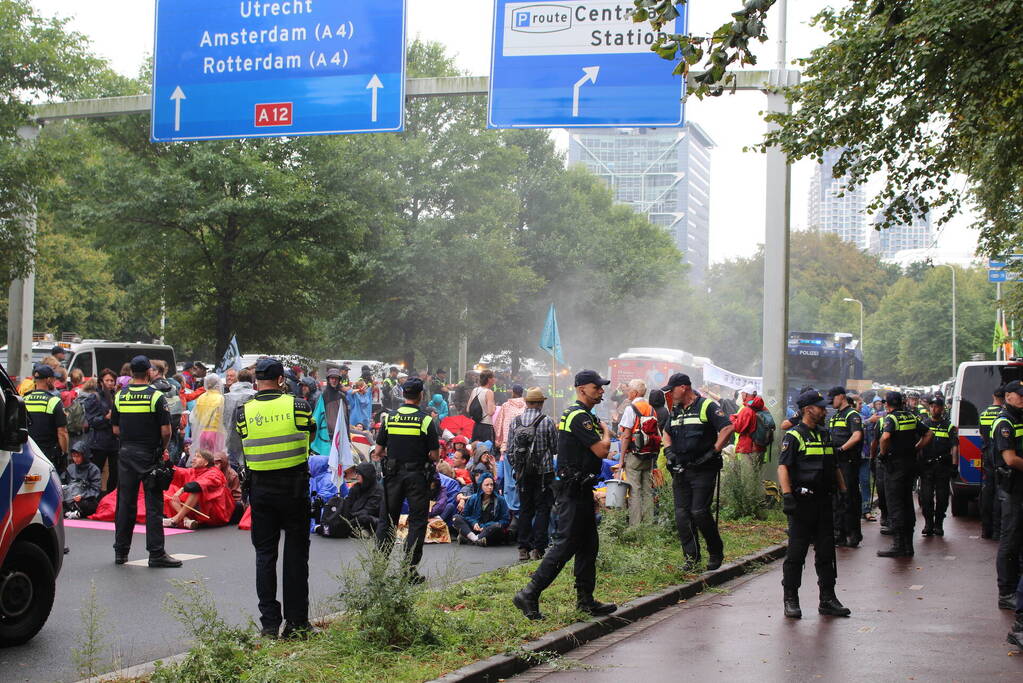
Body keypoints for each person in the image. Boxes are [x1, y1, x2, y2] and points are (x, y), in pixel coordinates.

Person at [513, 370, 617, 621]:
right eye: (597, 387)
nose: (601, 391)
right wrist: (606, 432)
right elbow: (603, 451)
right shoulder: (577, 416)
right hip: (572, 490)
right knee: (564, 545)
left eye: (602, 387)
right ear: (582, 389)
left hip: (582, 488)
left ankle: (585, 600)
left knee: (589, 546)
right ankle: (529, 592)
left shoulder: (585, 416)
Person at [235, 357, 316, 639]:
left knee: (265, 557)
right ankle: (296, 624)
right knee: (295, 557)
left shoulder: (243, 411)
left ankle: (269, 624)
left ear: (257, 379)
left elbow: (244, 440)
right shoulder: (298, 405)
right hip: (293, 489)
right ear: (281, 379)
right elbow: (310, 433)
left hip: (261, 491)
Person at [778, 390, 852, 619]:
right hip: (802, 503)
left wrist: (843, 491)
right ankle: (791, 599)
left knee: (826, 552)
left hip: (824, 501)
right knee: (796, 553)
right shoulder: (794, 436)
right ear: (808, 409)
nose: (825, 410)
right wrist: (787, 495)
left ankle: (828, 599)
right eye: (820, 407)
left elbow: (835, 466)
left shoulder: (824, 434)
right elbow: (783, 467)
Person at [111, 356, 182, 568]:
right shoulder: (156, 397)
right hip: (149, 454)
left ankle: (121, 551)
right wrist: (162, 448)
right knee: (153, 505)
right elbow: (166, 430)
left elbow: (115, 429)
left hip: (126, 454)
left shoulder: (120, 396)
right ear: (149, 372)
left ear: (131, 372)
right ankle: (156, 553)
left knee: (125, 503)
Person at [662, 373, 734, 571]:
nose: (670, 393)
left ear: (684, 387)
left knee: (699, 512)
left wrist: (714, 451)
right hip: (681, 470)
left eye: (672, 389)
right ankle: (691, 559)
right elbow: (666, 431)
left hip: (704, 468)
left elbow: (727, 427)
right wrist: (668, 451)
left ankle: (715, 551)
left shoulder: (707, 406)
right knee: (682, 515)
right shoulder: (676, 410)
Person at [373, 377, 440, 584]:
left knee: (387, 522)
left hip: (393, 476)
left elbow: (378, 451)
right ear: (421, 395)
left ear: (403, 394)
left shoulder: (389, 418)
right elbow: (435, 456)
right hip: (417, 477)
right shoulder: (426, 420)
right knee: (417, 522)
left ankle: (378, 572)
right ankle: (408, 571)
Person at [876, 391, 932, 558]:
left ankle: (899, 545)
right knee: (907, 503)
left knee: (895, 505)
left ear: (887, 404)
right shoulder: (911, 417)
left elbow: (885, 437)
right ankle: (908, 545)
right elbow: (929, 433)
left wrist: (883, 454)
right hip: (910, 464)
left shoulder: (891, 418)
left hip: (895, 466)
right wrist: (916, 448)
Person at [508, 387, 557, 561]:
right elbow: (555, 447)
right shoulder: (547, 421)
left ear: (527, 402)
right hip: (543, 473)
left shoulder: (515, 421)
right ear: (540, 403)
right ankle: (539, 548)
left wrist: (518, 467)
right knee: (543, 509)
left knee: (525, 509)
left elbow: (510, 450)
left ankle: (523, 548)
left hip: (522, 474)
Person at [994, 380, 1023, 611]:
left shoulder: (1018, 418)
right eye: (1019, 394)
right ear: (1008, 396)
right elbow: (1010, 459)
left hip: (1020, 486)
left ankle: (1016, 589)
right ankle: (1006, 593)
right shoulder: (1004, 421)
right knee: (1010, 540)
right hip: (1011, 488)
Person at [827, 387, 864, 548]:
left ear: (841, 397)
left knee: (849, 498)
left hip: (847, 461)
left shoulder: (852, 415)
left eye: (833, 398)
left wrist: (841, 449)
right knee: (837, 499)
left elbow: (857, 436)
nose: (831, 402)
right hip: (836, 462)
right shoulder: (835, 417)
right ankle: (839, 533)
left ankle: (853, 534)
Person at [617, 379, 657, 527]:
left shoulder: (631, 408)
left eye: (628, 390)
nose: (627, 392)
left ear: (634, 393)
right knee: (647, 491)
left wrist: (621, 459)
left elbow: (626, 435)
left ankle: (635, 526)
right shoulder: (651, 409)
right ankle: (648, 524)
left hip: (634, 455)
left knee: (635, 491)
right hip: (649, 454)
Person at [164, 450, 236, 529]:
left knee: (196, 490)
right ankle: (185, 519)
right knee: (170, 488)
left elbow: (197, 486)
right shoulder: (194, 471)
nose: (194, 459)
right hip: (199, 508)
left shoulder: (215, 473)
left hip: (214, 512)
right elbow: (177, 472)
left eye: (198, 457)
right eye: (194, 456)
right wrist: (167, 460)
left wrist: (181, 490)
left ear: (206, 462)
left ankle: (176, 519)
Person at [918, 395, 958, 537]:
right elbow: (918, 445)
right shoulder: (923, 424)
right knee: (926, 497)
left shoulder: (949, 426)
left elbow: (954, 447)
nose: (933, 408)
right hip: (927, 467)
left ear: (941, 408)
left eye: (936, 406)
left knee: (942, 497)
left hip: (943, 467)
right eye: (931, 406)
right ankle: (928, 523)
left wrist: (954, 465)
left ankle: (938, 523)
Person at [318, 462, 382, 538]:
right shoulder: (357, 488)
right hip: (355, 517)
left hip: (371, 519)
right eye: (356, 473)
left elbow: (368, 511)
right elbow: (348, 504)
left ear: (366, 475)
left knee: (364, 518)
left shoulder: (378, 491)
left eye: (359, 474)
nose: (356, 476)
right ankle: (351, 530)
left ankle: (355, 530)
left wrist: (347, 520)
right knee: (338, 515)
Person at [24, 364, 69, 474]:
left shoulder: (24, 399)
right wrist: (64, 453)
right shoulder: (53, 401)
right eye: (53, 378)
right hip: (47, 454)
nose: (54, 381)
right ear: (48, 380)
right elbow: (62, 432)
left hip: (27, 453)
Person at [85, 370, 120, 494]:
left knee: (115, 472)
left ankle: (110, 496)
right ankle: (94, 496)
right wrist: (106, 418)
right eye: (107, 380)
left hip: (114, 441)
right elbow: (91, 421)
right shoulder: (94, 397)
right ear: (101, 382)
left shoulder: (117, 397)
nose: (110, 383)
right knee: (96, 471)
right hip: (99, 442)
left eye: (112, 381)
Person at [452, 472, 510, 546]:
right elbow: (465, 515)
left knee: (497, 526)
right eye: (486, 485)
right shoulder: (473, 498)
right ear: (481, 486)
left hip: (489, 529)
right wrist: (474, 523)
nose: (490, 487)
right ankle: (476, 539)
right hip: (475, 529)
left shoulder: (500, 500)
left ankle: (469, 538)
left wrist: (486, 526)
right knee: (456, 518)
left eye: (491, 484)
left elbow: (505, 520)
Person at [981, 387, 1006, 540]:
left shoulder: (983, 414)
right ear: (1004, 398)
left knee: (987, 492)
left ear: (992, 396)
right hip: (998, 454)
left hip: (987, 454)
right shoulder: (1003, 415)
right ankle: (997, 530)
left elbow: (983, 434)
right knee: (999, 492)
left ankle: (986, 529)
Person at [222, 368, 257, 470]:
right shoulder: (255, 395)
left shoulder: (226, 396)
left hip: (230, 435)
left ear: (238, 379)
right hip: (249, 434)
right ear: (251, 380)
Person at [62, 440, 102, 519]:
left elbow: (96, 489)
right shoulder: (70, 468)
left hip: (85, 499)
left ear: (84, 455)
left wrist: (82, 496)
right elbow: (62, 481)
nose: (75, 459)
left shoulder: (93, 469)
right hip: (70, 497)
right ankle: (70, 512)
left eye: (78, 456)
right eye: (73, 456)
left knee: (86, 504)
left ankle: (69, 512)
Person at [190, 374, 226, 453]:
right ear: (218, 385)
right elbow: (224, 417)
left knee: (205, 458)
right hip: (216, 432)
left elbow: (193, 417)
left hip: (202, 433)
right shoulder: (220, 398)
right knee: (216, 458)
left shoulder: (201, 397)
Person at [494, 385, 526, 455]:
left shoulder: (506, 406)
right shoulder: (526, 406)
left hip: (507, 443)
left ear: (513, 393)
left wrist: (498, 440)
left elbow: (499, 424)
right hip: (523, 443)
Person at [468, 370, 497, 443]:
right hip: (486, 426)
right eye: (493, 378)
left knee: (476, 450)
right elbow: (490, 412)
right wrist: (494, 407)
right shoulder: (489, 392)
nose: (495, 380)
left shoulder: (475, 390)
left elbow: (468, 409)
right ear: (489, 379)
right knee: (487, 450)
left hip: (476, 425)